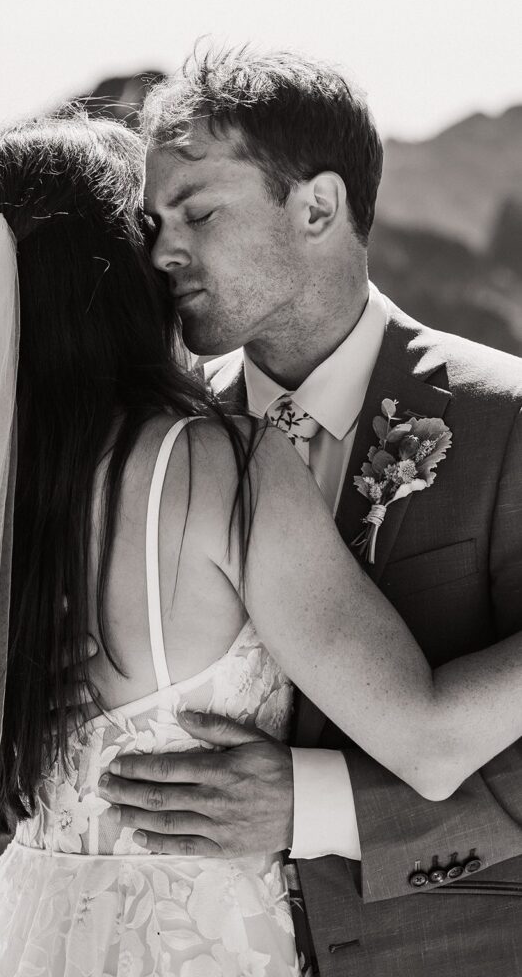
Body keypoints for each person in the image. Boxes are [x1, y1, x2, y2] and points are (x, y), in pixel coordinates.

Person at [0, 109, 521, 977]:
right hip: (202, 942)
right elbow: (425, 737)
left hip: (22, 935)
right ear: (118, 272)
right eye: (155, 229)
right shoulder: (214, 462)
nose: (175, 256)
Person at [98, 47, 522, 977]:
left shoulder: (506, 423)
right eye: (151, 223)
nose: (162, 251)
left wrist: (318, 807)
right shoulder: (155, 449)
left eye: (198, 212)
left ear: (318, 207)